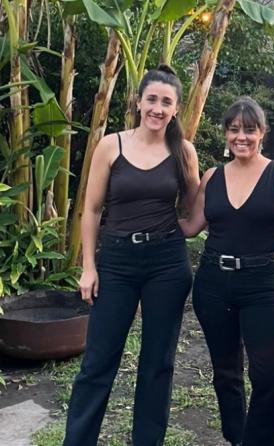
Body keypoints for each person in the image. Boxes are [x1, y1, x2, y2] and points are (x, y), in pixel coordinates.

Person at [63, 65, 200, 446]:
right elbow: (91, 210)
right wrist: (88, 267)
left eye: (166, 102)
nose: (158, 108)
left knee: (158, 363)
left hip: (167, 264)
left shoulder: (183, 151)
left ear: (176, 109)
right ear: (138, 102)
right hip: (117, 262)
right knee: (98, 361)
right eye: (151, 99)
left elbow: (196, 208)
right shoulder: (112, 145)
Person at [180, 97, 274, 446]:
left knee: (269, 373)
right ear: (226, 133)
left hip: (264, 285)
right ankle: (236, 438)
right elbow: (191, 227)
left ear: (262, 133)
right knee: (226, 372)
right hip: (214, 283)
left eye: (249, 130)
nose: (241, 137)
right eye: (234, 129)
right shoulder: (212, 177)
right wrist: (146, 213)